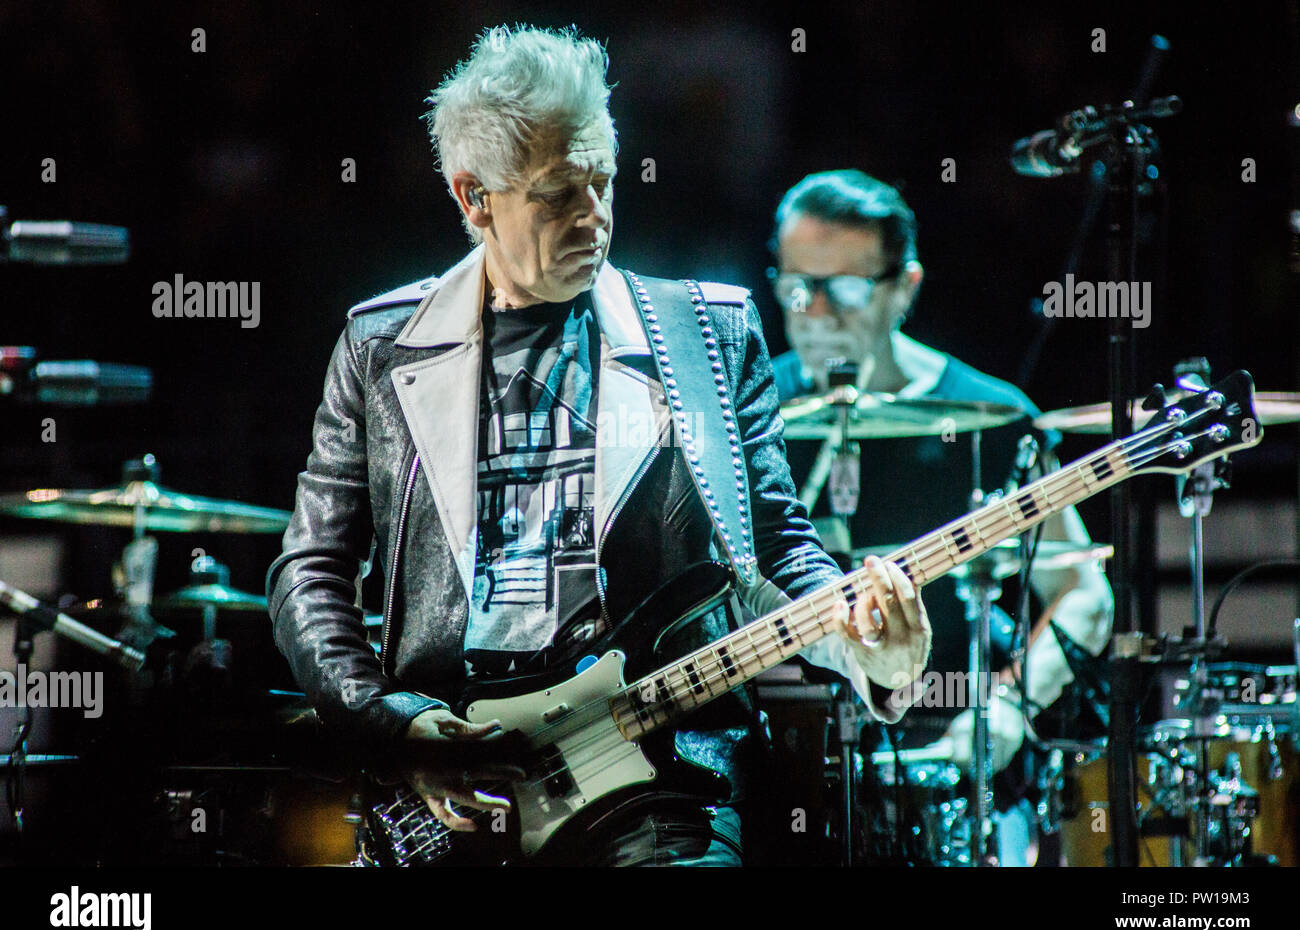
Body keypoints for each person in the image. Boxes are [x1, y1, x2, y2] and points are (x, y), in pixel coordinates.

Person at [266, 28, 931, 867]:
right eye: (555, 194)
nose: (594, 214)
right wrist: (395, 726)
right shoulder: (380, 344)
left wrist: (862, 643)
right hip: (453, 786)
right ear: (474, 198)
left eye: (603, 180)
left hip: (661, 783)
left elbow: (774, 556)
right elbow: (310, 569)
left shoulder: (708, 335)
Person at [767, 170, 1114, 863]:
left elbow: (1084, 596)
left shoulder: (990, 418)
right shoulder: (751, 413)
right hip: (776, 774)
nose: (815, 313)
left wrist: (1003, 717)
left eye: (847, 289)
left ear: (905, 288)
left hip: (945, 771)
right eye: (797, 288)